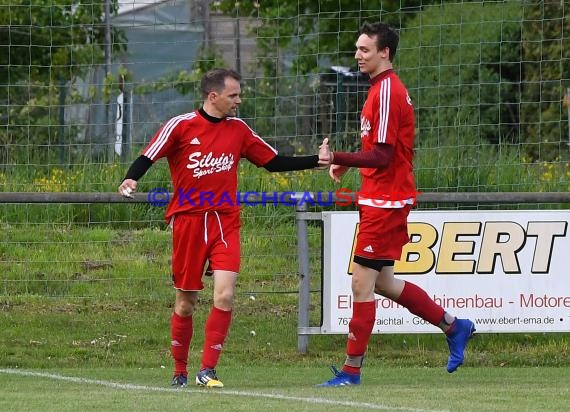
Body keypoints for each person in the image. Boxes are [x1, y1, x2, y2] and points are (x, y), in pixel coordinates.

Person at [118, 68, 325, 388]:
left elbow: (271, 161)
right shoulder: (181, 125)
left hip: (225, 221)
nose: (239, 101)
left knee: (225, 295)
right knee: (186, 303)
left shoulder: (239, 130)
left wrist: (315, 160)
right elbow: (149, 154)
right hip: (188, 222)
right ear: (213, 96)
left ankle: (208, 370)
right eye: (234, 95)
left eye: (239, 95)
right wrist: (132, 177)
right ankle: (179, 371)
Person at [316, 22, 476, 386]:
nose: (358, 55)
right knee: (384, 282)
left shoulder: (387, 90)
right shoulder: (379, 90)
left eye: (365, 50)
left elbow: (383, 156)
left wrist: (338, 156)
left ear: (384, 52)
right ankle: (454, 327)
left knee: (361, 284)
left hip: (386, 202)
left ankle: (351, 371)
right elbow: (379, 152)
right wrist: (348, 161)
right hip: (380, 198)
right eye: (357, 49)